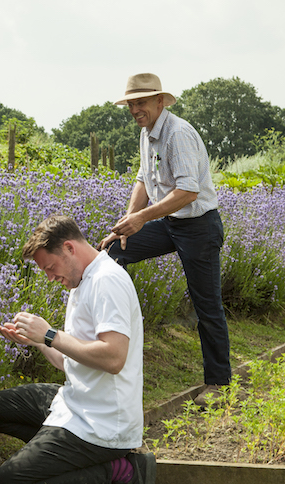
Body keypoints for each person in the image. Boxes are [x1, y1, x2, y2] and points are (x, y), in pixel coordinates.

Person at [0, 215, 155, 484]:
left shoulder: (106, 281)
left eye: (50, 267)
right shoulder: (82, 280)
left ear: (69, 248)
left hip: (103, 422)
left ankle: (121, 470)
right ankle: (61, 456)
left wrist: (50, 334)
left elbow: (114, 358)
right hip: (77, 401)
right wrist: (38, 341)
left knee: (9, 480)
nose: (50, 277)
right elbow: (70, 360)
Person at [97, 73, 230, 404]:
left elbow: (187, 191)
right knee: (110, 252)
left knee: (207, 305)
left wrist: (142, 218)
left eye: (140, 103)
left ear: (159, 101)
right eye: (131, 104)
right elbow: (144, 179)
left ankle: (218, 384)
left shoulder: (178, 134)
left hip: (198, 226)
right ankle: (103, 348)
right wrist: (125, 223)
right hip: (168, 222)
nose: (135, 110)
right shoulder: (147, 133)